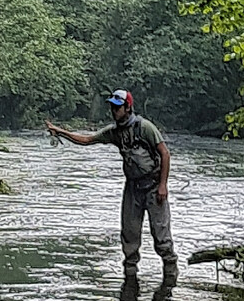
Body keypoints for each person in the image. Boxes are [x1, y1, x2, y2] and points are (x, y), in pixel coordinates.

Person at [46, 89, 177, 279]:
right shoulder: (114, 132)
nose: (113, 111)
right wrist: (60, 132)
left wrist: (163, 185)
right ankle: (130, 280)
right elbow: (87, 140)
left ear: (127, 107)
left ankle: (171, 277)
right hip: (132, 189)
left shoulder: (145, 128)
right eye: (112, 107)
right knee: (129, 237)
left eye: (117, 107)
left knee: (161, 238)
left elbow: (165, 153)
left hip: (154, 187)